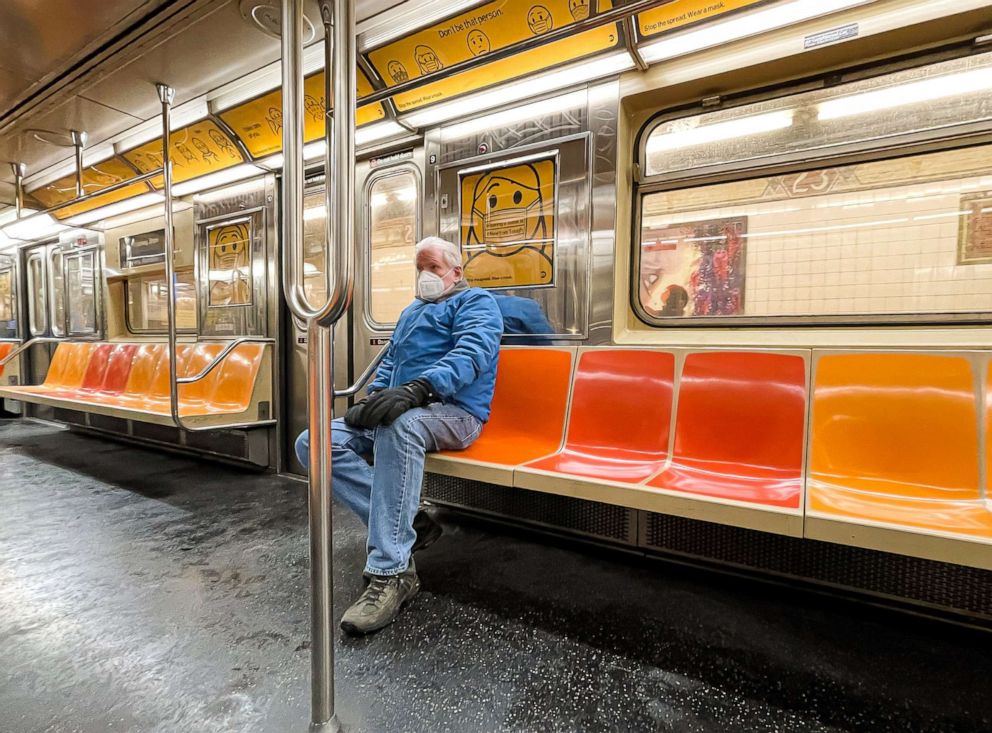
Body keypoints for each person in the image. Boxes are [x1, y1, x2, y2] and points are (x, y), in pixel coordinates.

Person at [294, 236, 503, 635]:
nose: (425, 276)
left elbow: (472, 355)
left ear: (456, 272)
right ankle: (414, 524)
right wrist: (373, 400)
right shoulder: (412, 312)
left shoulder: (476, 304)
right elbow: (391, 361)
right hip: (405, 410)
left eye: (433, 268)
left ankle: (392, 573)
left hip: (455, 412)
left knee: (400, 425)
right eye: (420, 268)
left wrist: (420, 389)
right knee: (315, 442)